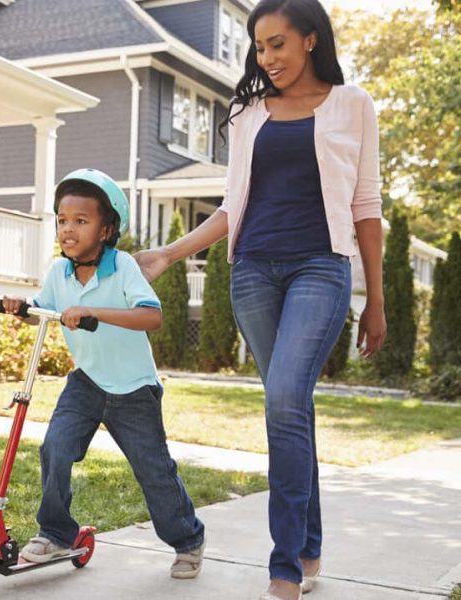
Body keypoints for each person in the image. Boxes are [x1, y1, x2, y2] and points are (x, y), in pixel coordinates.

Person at [135, 1, 386, 599]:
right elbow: (231, 205)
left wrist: (375, 300)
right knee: (289, 409)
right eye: (259, 47)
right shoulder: (247, 111)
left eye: (277, 43)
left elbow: (366, 206)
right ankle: (310, 545)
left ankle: (283, 566)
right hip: (251, 272)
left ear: (309, 39)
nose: (266, 57)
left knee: (283, 402)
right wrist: (169, 254)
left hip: (320, 268)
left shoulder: (354, 106)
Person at [2, 168, 206, 579]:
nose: (68, 229)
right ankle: (57, 532)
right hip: (87, 382)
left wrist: (95, 312)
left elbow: (152, 317)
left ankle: (187, 540)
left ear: (107, 229)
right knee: (55, 449)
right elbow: (46, 309)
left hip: (134, 390)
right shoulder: (58, 273)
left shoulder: (124, 266)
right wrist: (21, 307)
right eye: (62, 220)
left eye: (81, 221)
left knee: (153, 470)